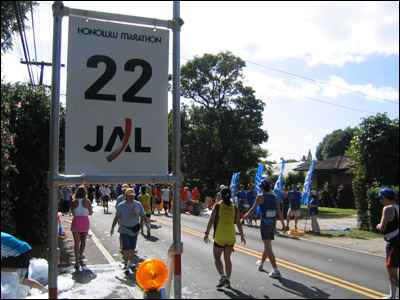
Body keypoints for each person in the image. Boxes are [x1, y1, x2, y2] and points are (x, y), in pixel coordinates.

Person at [204, 187, 246, 289]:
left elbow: (211, 221)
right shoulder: (234, 207)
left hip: (220, 236)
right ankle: (228, 280)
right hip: (231, 236)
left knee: (217, 258)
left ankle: (222, 276)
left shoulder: (217, 206)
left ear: (221, 196)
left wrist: (207, 233)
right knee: (228, 259)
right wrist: (242, 235)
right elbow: (238, 223)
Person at [244, 179, 286, 279]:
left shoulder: (260, 197)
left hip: (265, 223)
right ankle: (261, 263)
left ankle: (276, 270)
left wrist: (246, 215)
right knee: (267, 245)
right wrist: (283, 224)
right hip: (272, 223)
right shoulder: (275, 197)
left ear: (262, 187)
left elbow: (253, 208)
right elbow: (279, 211)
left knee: (268, 246)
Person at [110, 188, 148, 270]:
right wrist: (112, 227)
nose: (131, 197)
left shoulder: (138, 204)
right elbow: (117, 217)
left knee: (132, 247)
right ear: (126, 196)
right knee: (126, 247)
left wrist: (147, 223)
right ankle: (126, 262)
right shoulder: (121, 205)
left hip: (134, 229)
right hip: (124, 229)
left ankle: (130, 261)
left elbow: (143, 214)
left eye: (133, 196)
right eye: (130, 196)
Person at [375, 188, 399, 299]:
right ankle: (392, 295)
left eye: (381, 199)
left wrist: (378, 226)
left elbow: (383, 227)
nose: (380, 201)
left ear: (384, 198)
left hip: (393, 243)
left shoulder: (387, 209)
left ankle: (392, 296)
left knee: (392, 274)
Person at [70, 185, 93, 270]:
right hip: (84, 221)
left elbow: (72, 213)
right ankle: (81, 255)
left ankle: (76, 260)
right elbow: (90, 212)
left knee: (77, 242)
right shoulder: (87, 201)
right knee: (83, 240)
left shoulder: (73, 202)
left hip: (76, 221)